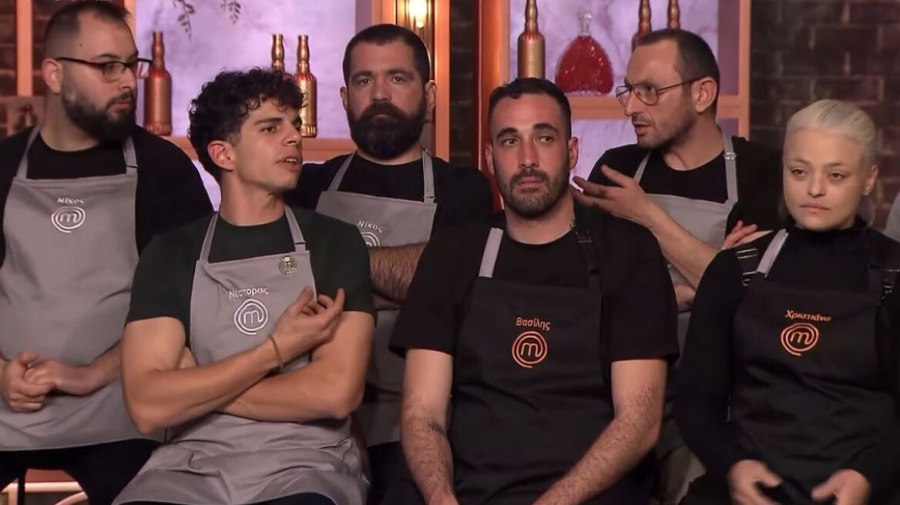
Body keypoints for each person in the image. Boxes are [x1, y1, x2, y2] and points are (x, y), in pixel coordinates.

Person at [384, 77, 678, 504]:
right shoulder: (453, 253)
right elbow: (422, 414)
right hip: (468, 491)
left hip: (590, 494)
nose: (527, 159)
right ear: (490, 158)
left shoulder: (627, 252)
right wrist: (441, 496)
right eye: (509, 141)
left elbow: (638, 421)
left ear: (572, 151)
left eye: (544, 138)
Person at [112, 68, 376, 505]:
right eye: (271, 128)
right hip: (188, 467)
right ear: (223, 153)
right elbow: (146, 407)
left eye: (294, 124)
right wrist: (275, 351)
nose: (294, 137)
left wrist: (194, 385)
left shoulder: (335, 243)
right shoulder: (171, 253)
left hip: (306, 465)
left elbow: (335, 393)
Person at [0, 2, 212, 503]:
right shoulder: (4, 166)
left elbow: (193, 302)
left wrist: (89, 375)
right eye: (107, 66)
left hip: (124, 411)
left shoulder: (163, 170)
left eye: (131, 65)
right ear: (54, 74)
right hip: (8, 403)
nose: (126, 82)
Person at [572, 28, 784, 504]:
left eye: (650, 90)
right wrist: (696, 288)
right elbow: (590, 294)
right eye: (629, 90)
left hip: (717, 403)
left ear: (703, 93)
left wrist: (645, 215)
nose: (631, 107)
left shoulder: (763, 172)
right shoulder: (617, 168)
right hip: (615, 393)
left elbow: (758, 302)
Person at [287, 23, 495, 501]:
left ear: (430, 95)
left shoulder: (463, 188)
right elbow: (280, 283)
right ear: (344, 98)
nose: (379, 94)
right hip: (314, 419)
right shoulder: (307, 185)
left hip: (425, 420)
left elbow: (450, 286)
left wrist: (332, 271)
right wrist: (400, 286)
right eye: (364, 80)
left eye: (397, 78)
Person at [676, 100, 900, 505]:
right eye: (799, 171)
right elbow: (696, 401)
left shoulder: (894, 276)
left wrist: (869, 475)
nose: (814, 189)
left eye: (836, 175)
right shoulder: (736, 270)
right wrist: (733, 465)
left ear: (868, 179)